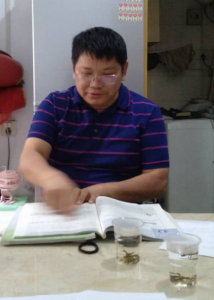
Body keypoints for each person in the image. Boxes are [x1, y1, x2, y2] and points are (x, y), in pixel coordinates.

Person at [20, 27, 169, 214]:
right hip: (66, 212)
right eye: (86, 73)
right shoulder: (55, 105)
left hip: (123, 214)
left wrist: (101, 192)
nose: (95, 84)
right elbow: (30, 156)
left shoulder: (147, 112)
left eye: (108, 75)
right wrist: (51, 179)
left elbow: (158, 181)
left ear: (124, 71)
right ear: (74, 69)